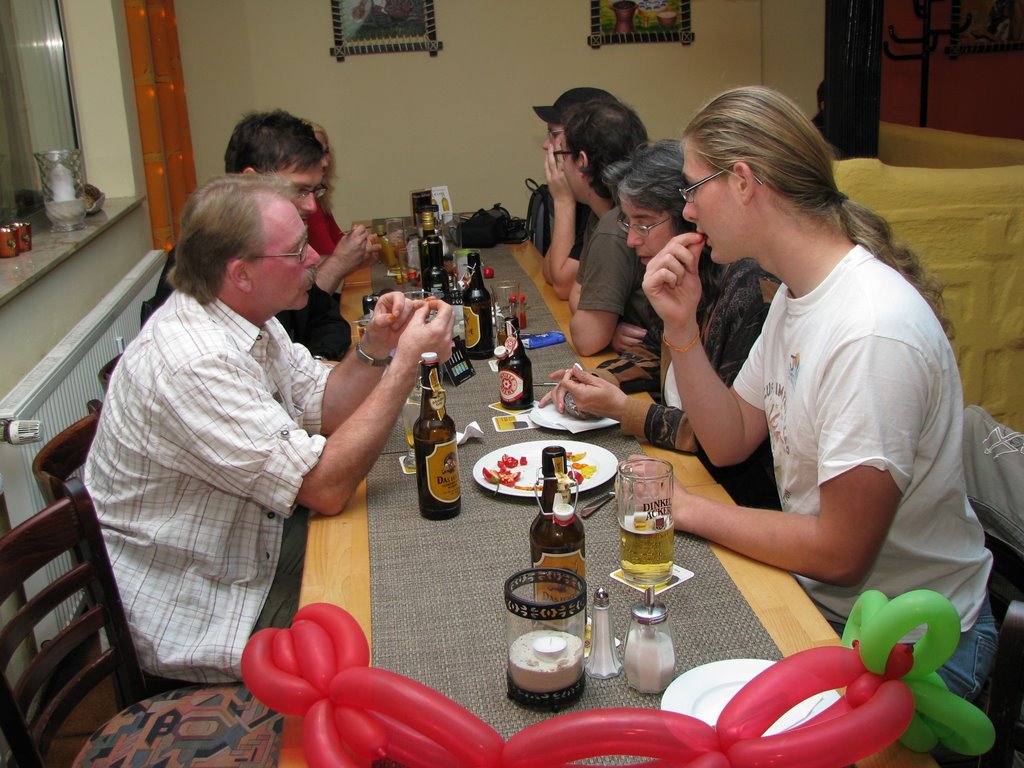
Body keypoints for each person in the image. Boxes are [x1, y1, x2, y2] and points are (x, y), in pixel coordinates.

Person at [642, 85, 994, 699]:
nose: (688, 212)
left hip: (917, 645)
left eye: (694, 189)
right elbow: (729, 440)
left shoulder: (870, 330)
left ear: (743, 182)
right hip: (834, 607)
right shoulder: (797, 293)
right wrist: (681, 327)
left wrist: (690, 510)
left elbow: (839, 553)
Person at [85, 175, 453, 683]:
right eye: (298, 250)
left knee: (404, 542)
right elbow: (325, 488)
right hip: (209, 605)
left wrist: (376, 347)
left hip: (250, 544)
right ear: (241, 273)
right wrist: (407, 363)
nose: (314, 258)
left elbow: (322, 406)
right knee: (396, 618)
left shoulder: (247, 315)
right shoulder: (193, 362)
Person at [542, 140, 781, 510]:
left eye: (643, 223)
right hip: (686, 470)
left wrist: (623, 409)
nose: (631, 239)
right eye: (628, 222)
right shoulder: (686, 271)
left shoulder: (749, 285)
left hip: (732, 495)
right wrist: (598, 380)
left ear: (687, 216)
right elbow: (655, 350)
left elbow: (716, 435)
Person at [146, 110, 379, 359]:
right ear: (251, 181)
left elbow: (327, 321)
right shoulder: (206, 260)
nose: (312, 206)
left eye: (315, 191)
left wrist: (315, 365)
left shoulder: (281, 242)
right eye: (300, 190)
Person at [560, 99, 649, 355]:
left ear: (582, 161)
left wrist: (602, 331)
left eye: (563, 156)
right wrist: (610, 329)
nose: (561, 166)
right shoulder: (600, 213)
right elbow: (576, 294)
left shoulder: (617, 223)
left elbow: (587, 339)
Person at [533, 87, 618, 299]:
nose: (546, 145)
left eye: (554, 134)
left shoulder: (608, 198)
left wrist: (563, 200)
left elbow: (562, 285)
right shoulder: (584, 197)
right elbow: (550, 272)